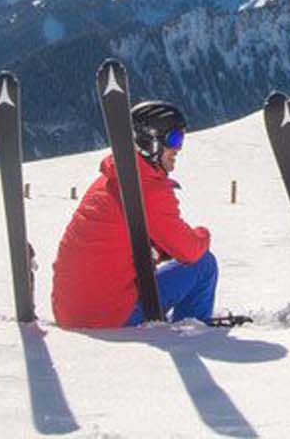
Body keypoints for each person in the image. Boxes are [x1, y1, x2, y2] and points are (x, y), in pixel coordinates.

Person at [52, 99, 217, 328]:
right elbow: (189, 251)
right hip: (110, 317)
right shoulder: (148, 189)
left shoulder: (109, 179)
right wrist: (203, 234)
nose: (178, 148)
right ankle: (192, 333)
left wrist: (161, 249)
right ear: (150, 143)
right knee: (204, 265)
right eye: (174, 139)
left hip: (72, 312)